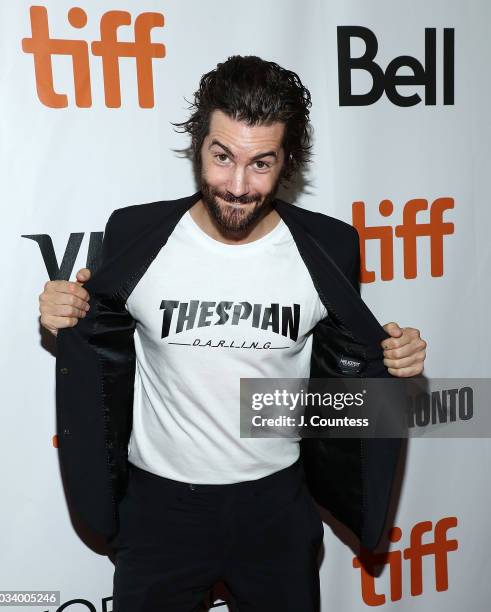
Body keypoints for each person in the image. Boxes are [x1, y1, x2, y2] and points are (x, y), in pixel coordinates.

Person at [39, 56, 426, 612]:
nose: (238, 186)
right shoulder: (137, 232)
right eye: (222, 157)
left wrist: (395, 363)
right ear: (199, 146)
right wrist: (62, 312)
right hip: (160, 512)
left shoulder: (329, 245)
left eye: (261, 163)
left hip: (278, 510)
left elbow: (349, 368)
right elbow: (94, 334)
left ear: (287, 161)